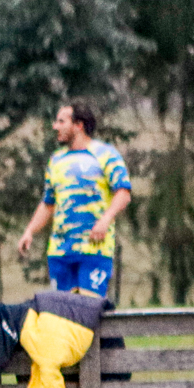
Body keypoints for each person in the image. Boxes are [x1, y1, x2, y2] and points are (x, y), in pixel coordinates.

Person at [17, 103, 132, 299]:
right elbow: (48, 203)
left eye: (61, 121)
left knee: (88, 309)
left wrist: (105, 220)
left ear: (79, 125)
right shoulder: (56, 160)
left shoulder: (105, 154)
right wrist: (30, 231)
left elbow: (123, 193)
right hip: (60, 252)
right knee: (62, 313)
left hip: (94, 250)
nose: (55, 126)